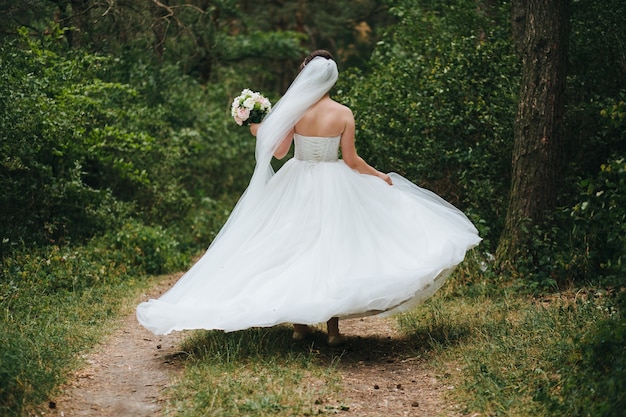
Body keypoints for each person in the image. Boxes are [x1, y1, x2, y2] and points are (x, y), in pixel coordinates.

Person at [137, 50, 481, 346]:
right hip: (335, 182)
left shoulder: (295, 111)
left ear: (305, 78)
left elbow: (281, 151)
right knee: (332, 249)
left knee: (292, 246)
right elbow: (351, 160)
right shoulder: (344, 113)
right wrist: (378, 175)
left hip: (297, 180)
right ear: (331, 80)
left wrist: (256, 126)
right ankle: (332, 331)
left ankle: (300, 326)